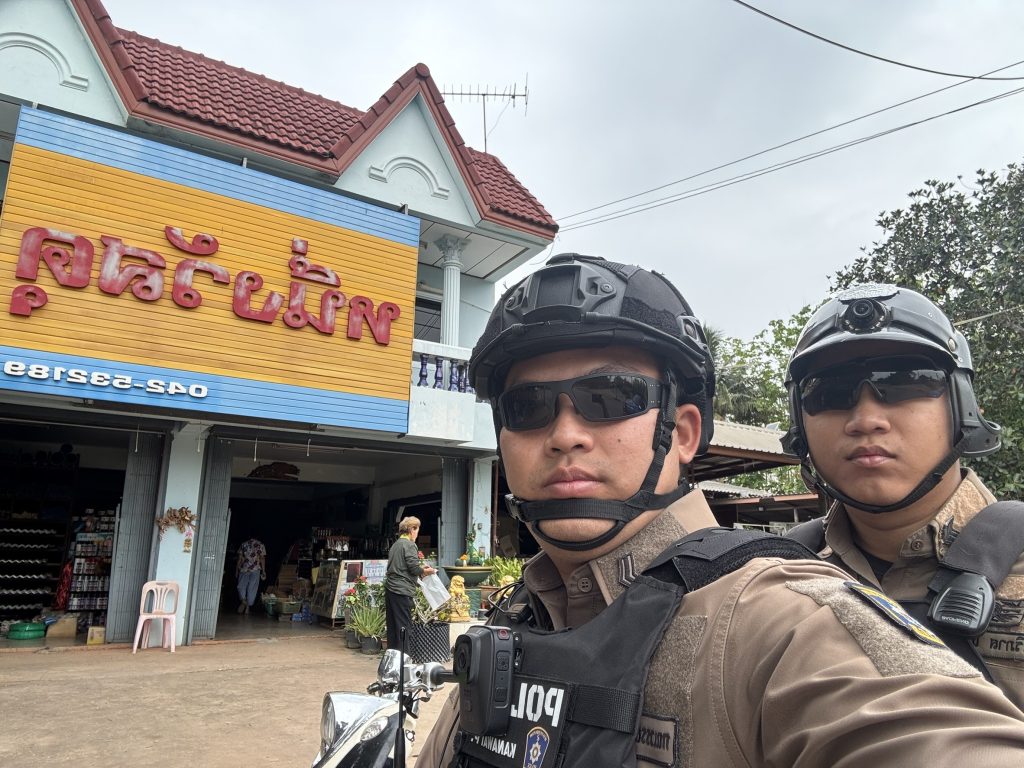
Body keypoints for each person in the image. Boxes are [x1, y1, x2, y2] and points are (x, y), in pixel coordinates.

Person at [416, 254, 1024, 768]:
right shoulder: (521, 612)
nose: (564, 435)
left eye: (610, 398)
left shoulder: (778, 614)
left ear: (682, 434)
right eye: (526, 408)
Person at [782, 283, 1024, 708]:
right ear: (800, 426)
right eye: (829, 391)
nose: (865, 420)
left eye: (906, 381)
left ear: (963, 408)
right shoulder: (777, 574)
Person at [384, 516, 436, 651]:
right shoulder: (409, 545)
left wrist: (420, 569)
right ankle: (404, 657)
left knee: (393, 627)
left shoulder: (396, 545)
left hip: (390, 590)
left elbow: (402, 566)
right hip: (402, 590)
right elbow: (413, 568)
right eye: (417, 530)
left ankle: (393, 657)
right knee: (403, 626)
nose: (417, 534)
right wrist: (425, 571)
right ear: (412, 529)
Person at [235, 536, 266, 614]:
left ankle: (243, 601)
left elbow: (239, 559)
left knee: (241, 586)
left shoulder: (244, 544)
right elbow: (262, 558)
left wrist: (236, 570)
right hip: (255, 569)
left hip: (244, 569)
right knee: (252, 588)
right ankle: (247, 605)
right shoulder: (261, 544)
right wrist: (263, 571)